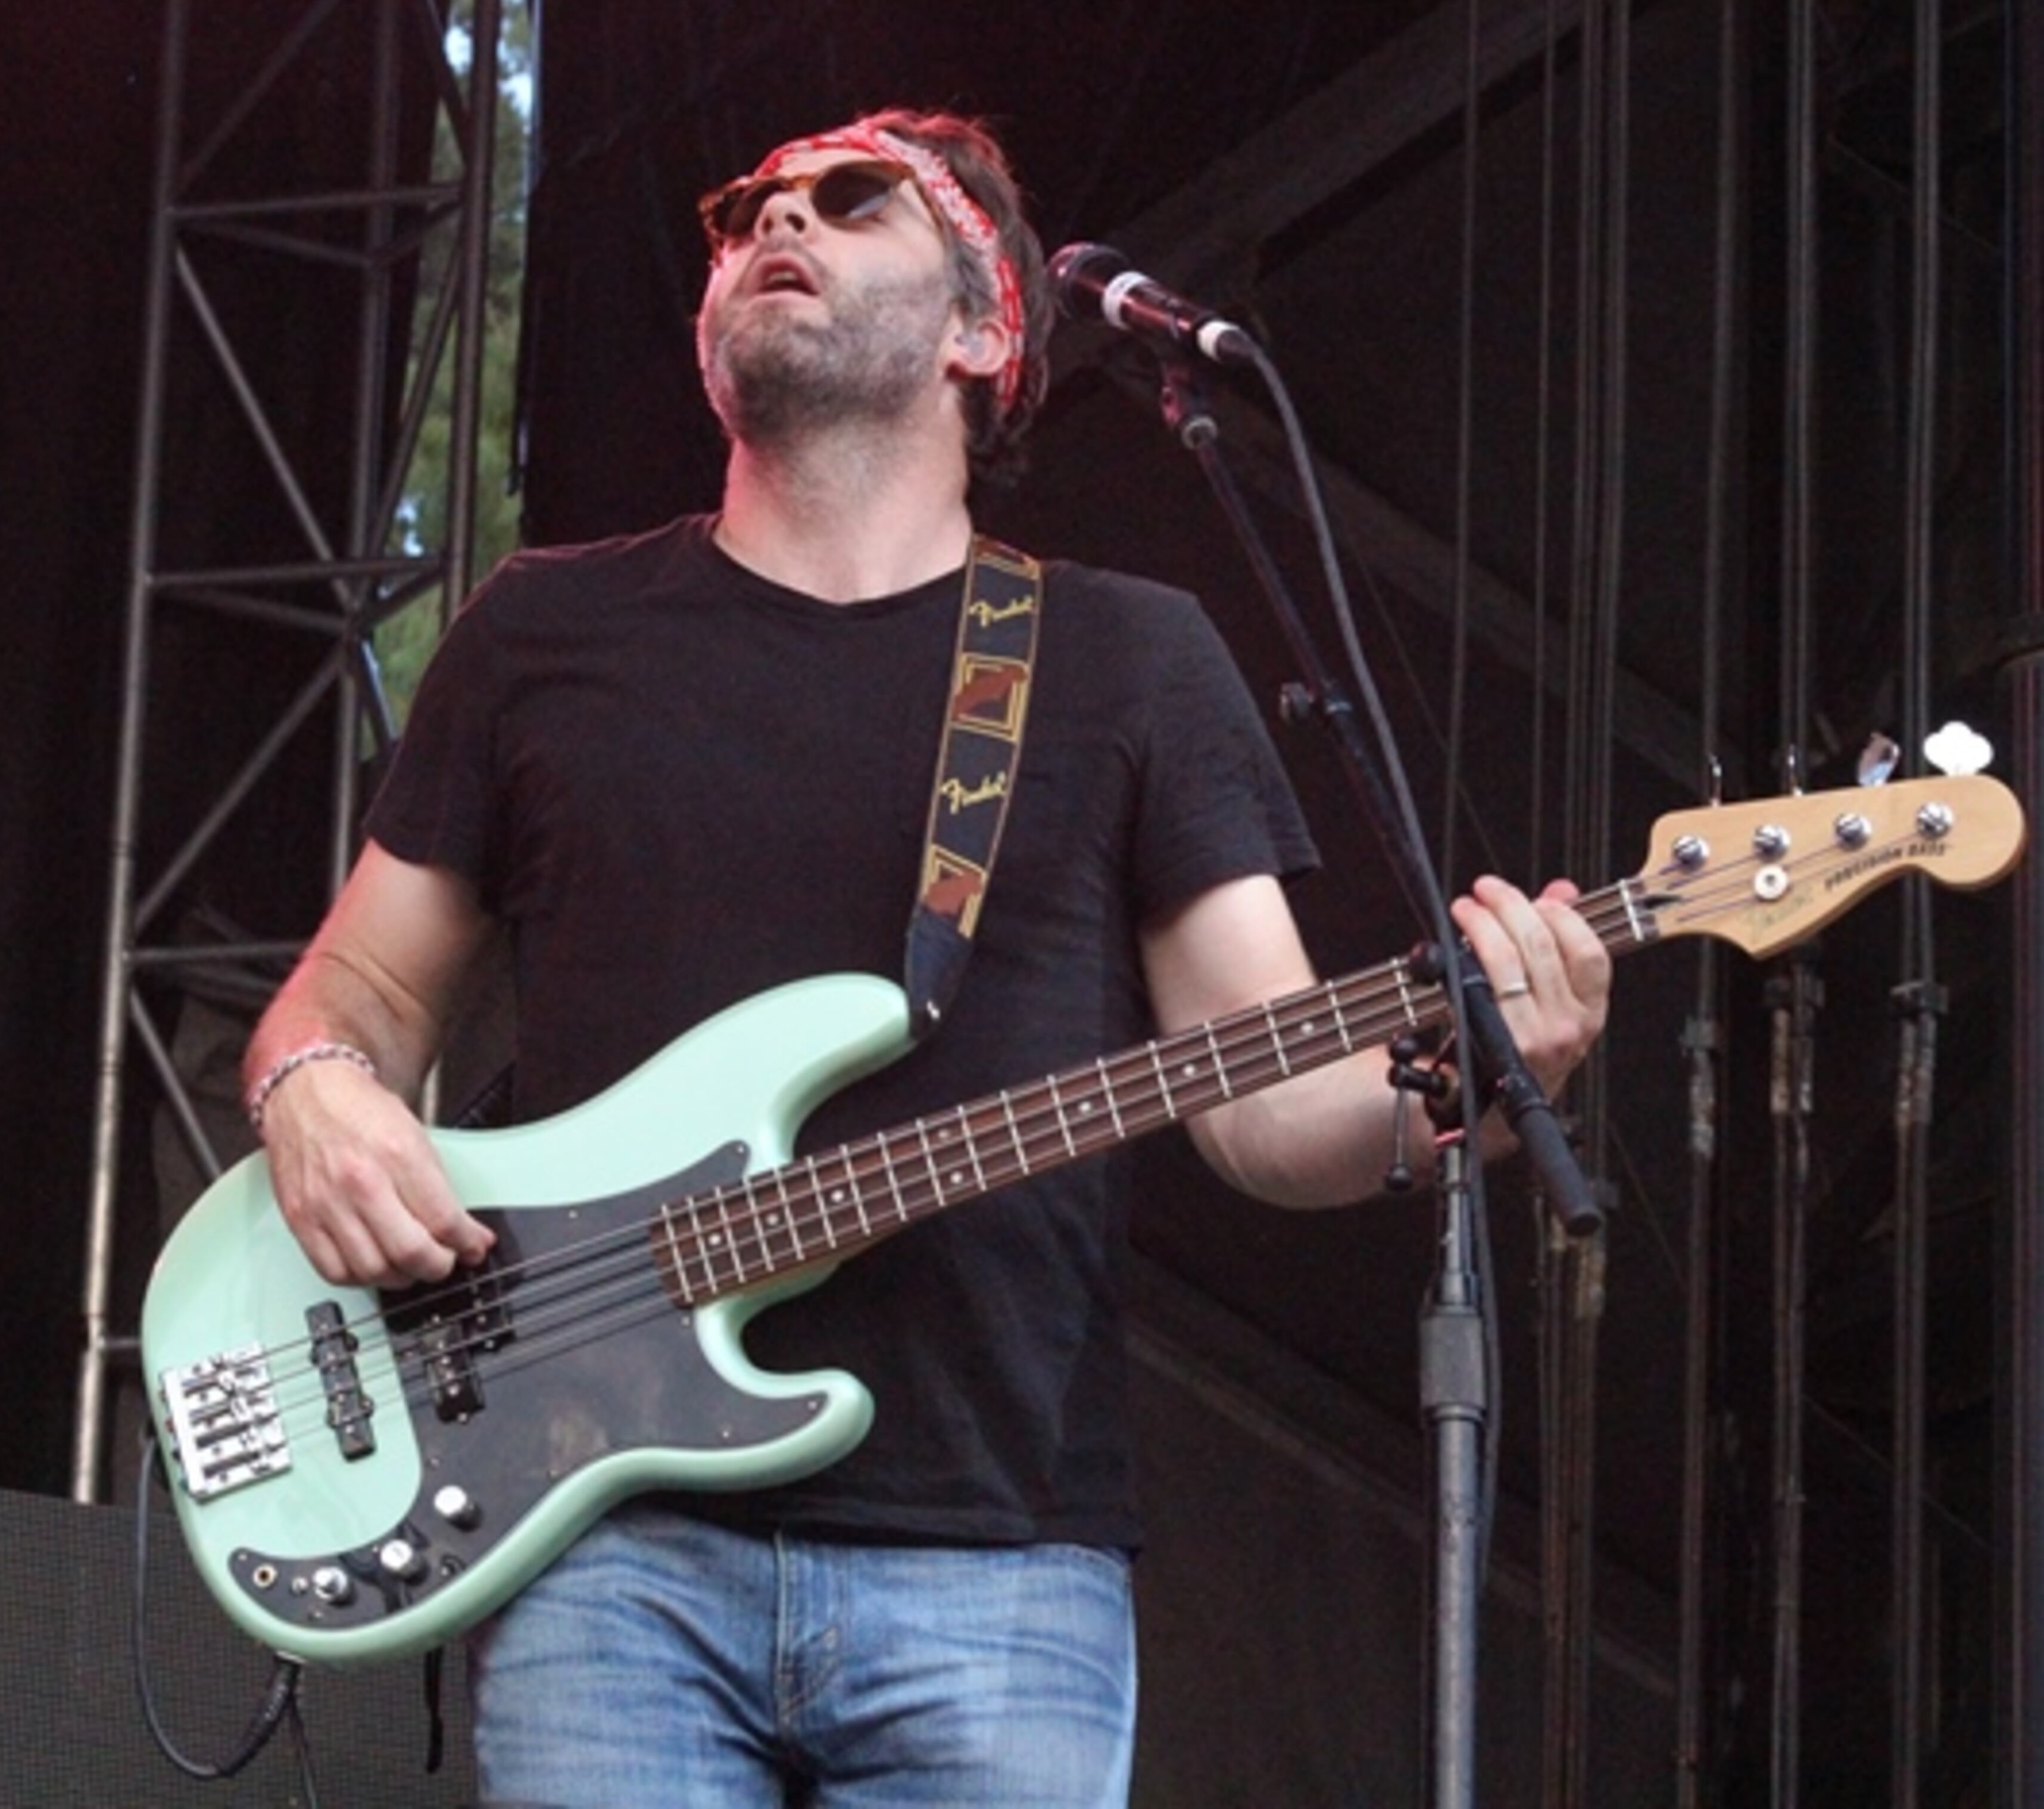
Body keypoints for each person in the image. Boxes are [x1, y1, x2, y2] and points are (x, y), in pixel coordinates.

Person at [244, 108, 1611, 1807]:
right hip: (603, 1535)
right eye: (749, 209)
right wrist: (313, 1088)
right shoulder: (545, 629)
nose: (774, 221)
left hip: (1001, 1554)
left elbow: (1265, 1105)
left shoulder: (1129, 657)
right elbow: (359, 995)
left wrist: (1480, 1078)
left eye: (849, 198)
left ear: (986, 328)